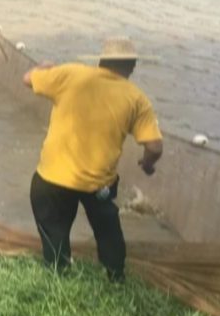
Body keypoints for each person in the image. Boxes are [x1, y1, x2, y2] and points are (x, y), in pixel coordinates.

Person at [23, 37, 164, 283]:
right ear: (131, 67)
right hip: (98, 184)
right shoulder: (137, 98)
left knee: (54, 229)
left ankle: (58, 275)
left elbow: (27, 79)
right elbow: (154, 146)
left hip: (52, 178)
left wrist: (44, 66)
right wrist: (148, 163)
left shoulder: (70, 74)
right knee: (108, 231)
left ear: (100, 60)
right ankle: (115, 279)